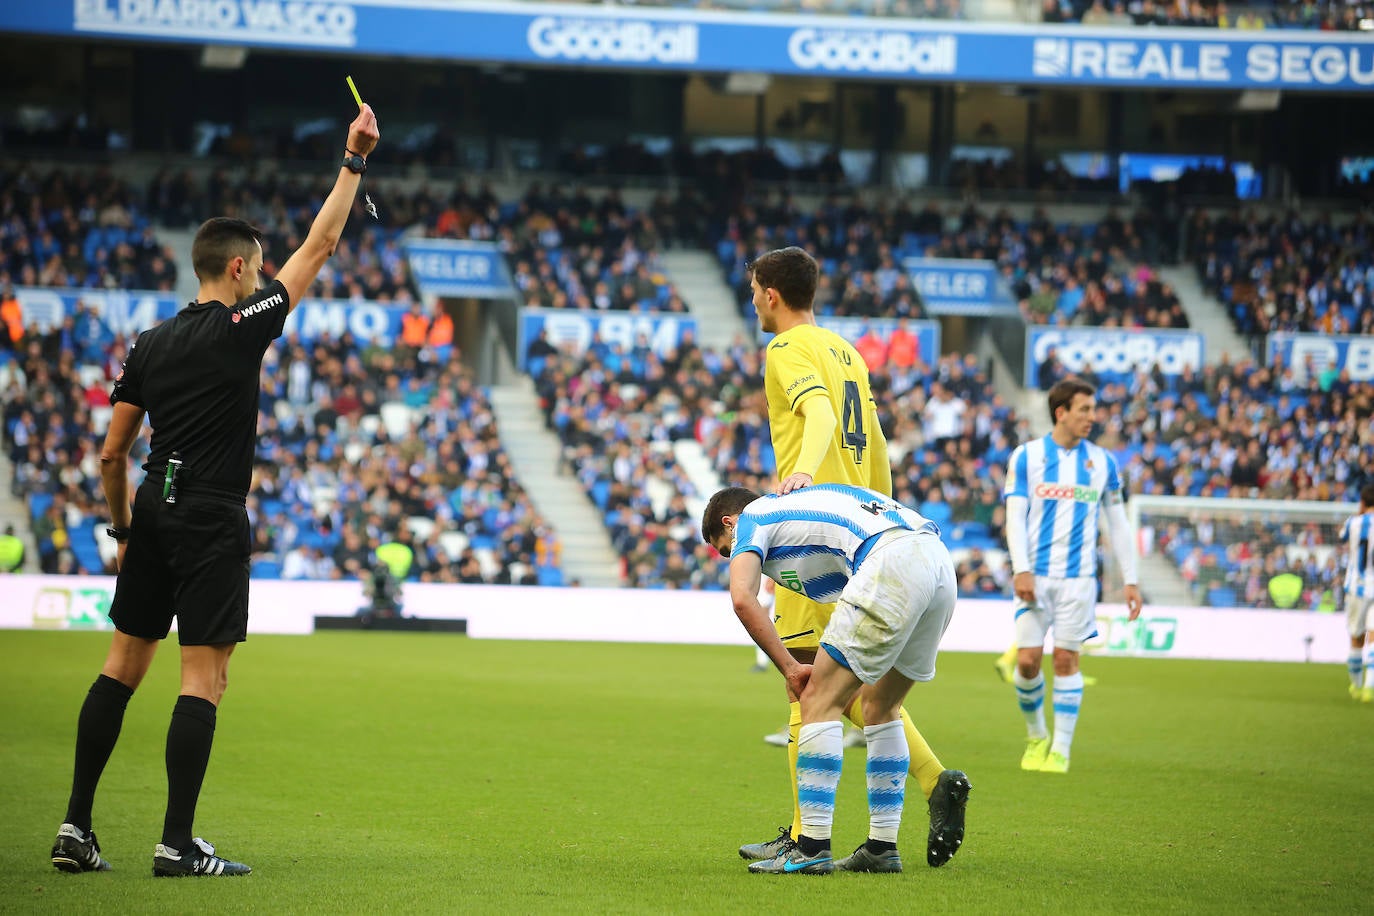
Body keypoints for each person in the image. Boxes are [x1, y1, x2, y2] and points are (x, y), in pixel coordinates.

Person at [49, 102, 380, 877]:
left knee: (120, 666)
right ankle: (175, 843)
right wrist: (353, 158)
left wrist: (124, 532)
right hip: (209, 514)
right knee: (205, 678)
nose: (265, 276)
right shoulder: (243, 328)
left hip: (152, 508)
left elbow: (110, 454)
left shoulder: (149, 343)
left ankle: (75, 827)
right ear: (237, 270)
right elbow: (323, 243)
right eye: (258, 267)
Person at [739, 246, 961, 868]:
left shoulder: (785, 349)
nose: (753, 299)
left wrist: (803, 472)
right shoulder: (846, 349)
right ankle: (926, 786)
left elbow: (819, 413)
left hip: (816, 535)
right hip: (870, 529)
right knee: (863, 693)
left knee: (806, 685)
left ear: (772, 294)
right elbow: (877, 438)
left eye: (755, 289)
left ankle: (806, 835)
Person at [702, 483, 970, 874]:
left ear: (730, 522)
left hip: (889, 561)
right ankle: (881, 848)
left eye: (726, 548)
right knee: (881, 706)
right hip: (936, 562)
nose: (734, 555)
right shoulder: (801, 509)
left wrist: (792, 668)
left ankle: (811, 848)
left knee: (816, 700)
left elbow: (743, 597)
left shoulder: (753, 517)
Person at [1002, 377, 1142, 774]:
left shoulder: (1102, 463)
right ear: (1061, 412)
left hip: (1079, 580)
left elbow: (1118, 523)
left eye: (1093, 410)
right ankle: (1036, 736)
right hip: (1035, 577)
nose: (1092, 418)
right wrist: (1021, 569)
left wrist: (1130, 579)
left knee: (1066, 659)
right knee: (1028, 662)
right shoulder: (1027, 457)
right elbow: (1015, 516)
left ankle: (1060, 749)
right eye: (1085, 409)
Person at [1338, 483, 1374, 702]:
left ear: (1362, 502)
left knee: (1356, 640)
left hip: (1355, 588)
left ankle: (1357, 687)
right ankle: (1370, 688)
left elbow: (1342, 537)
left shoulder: (1353, 522)